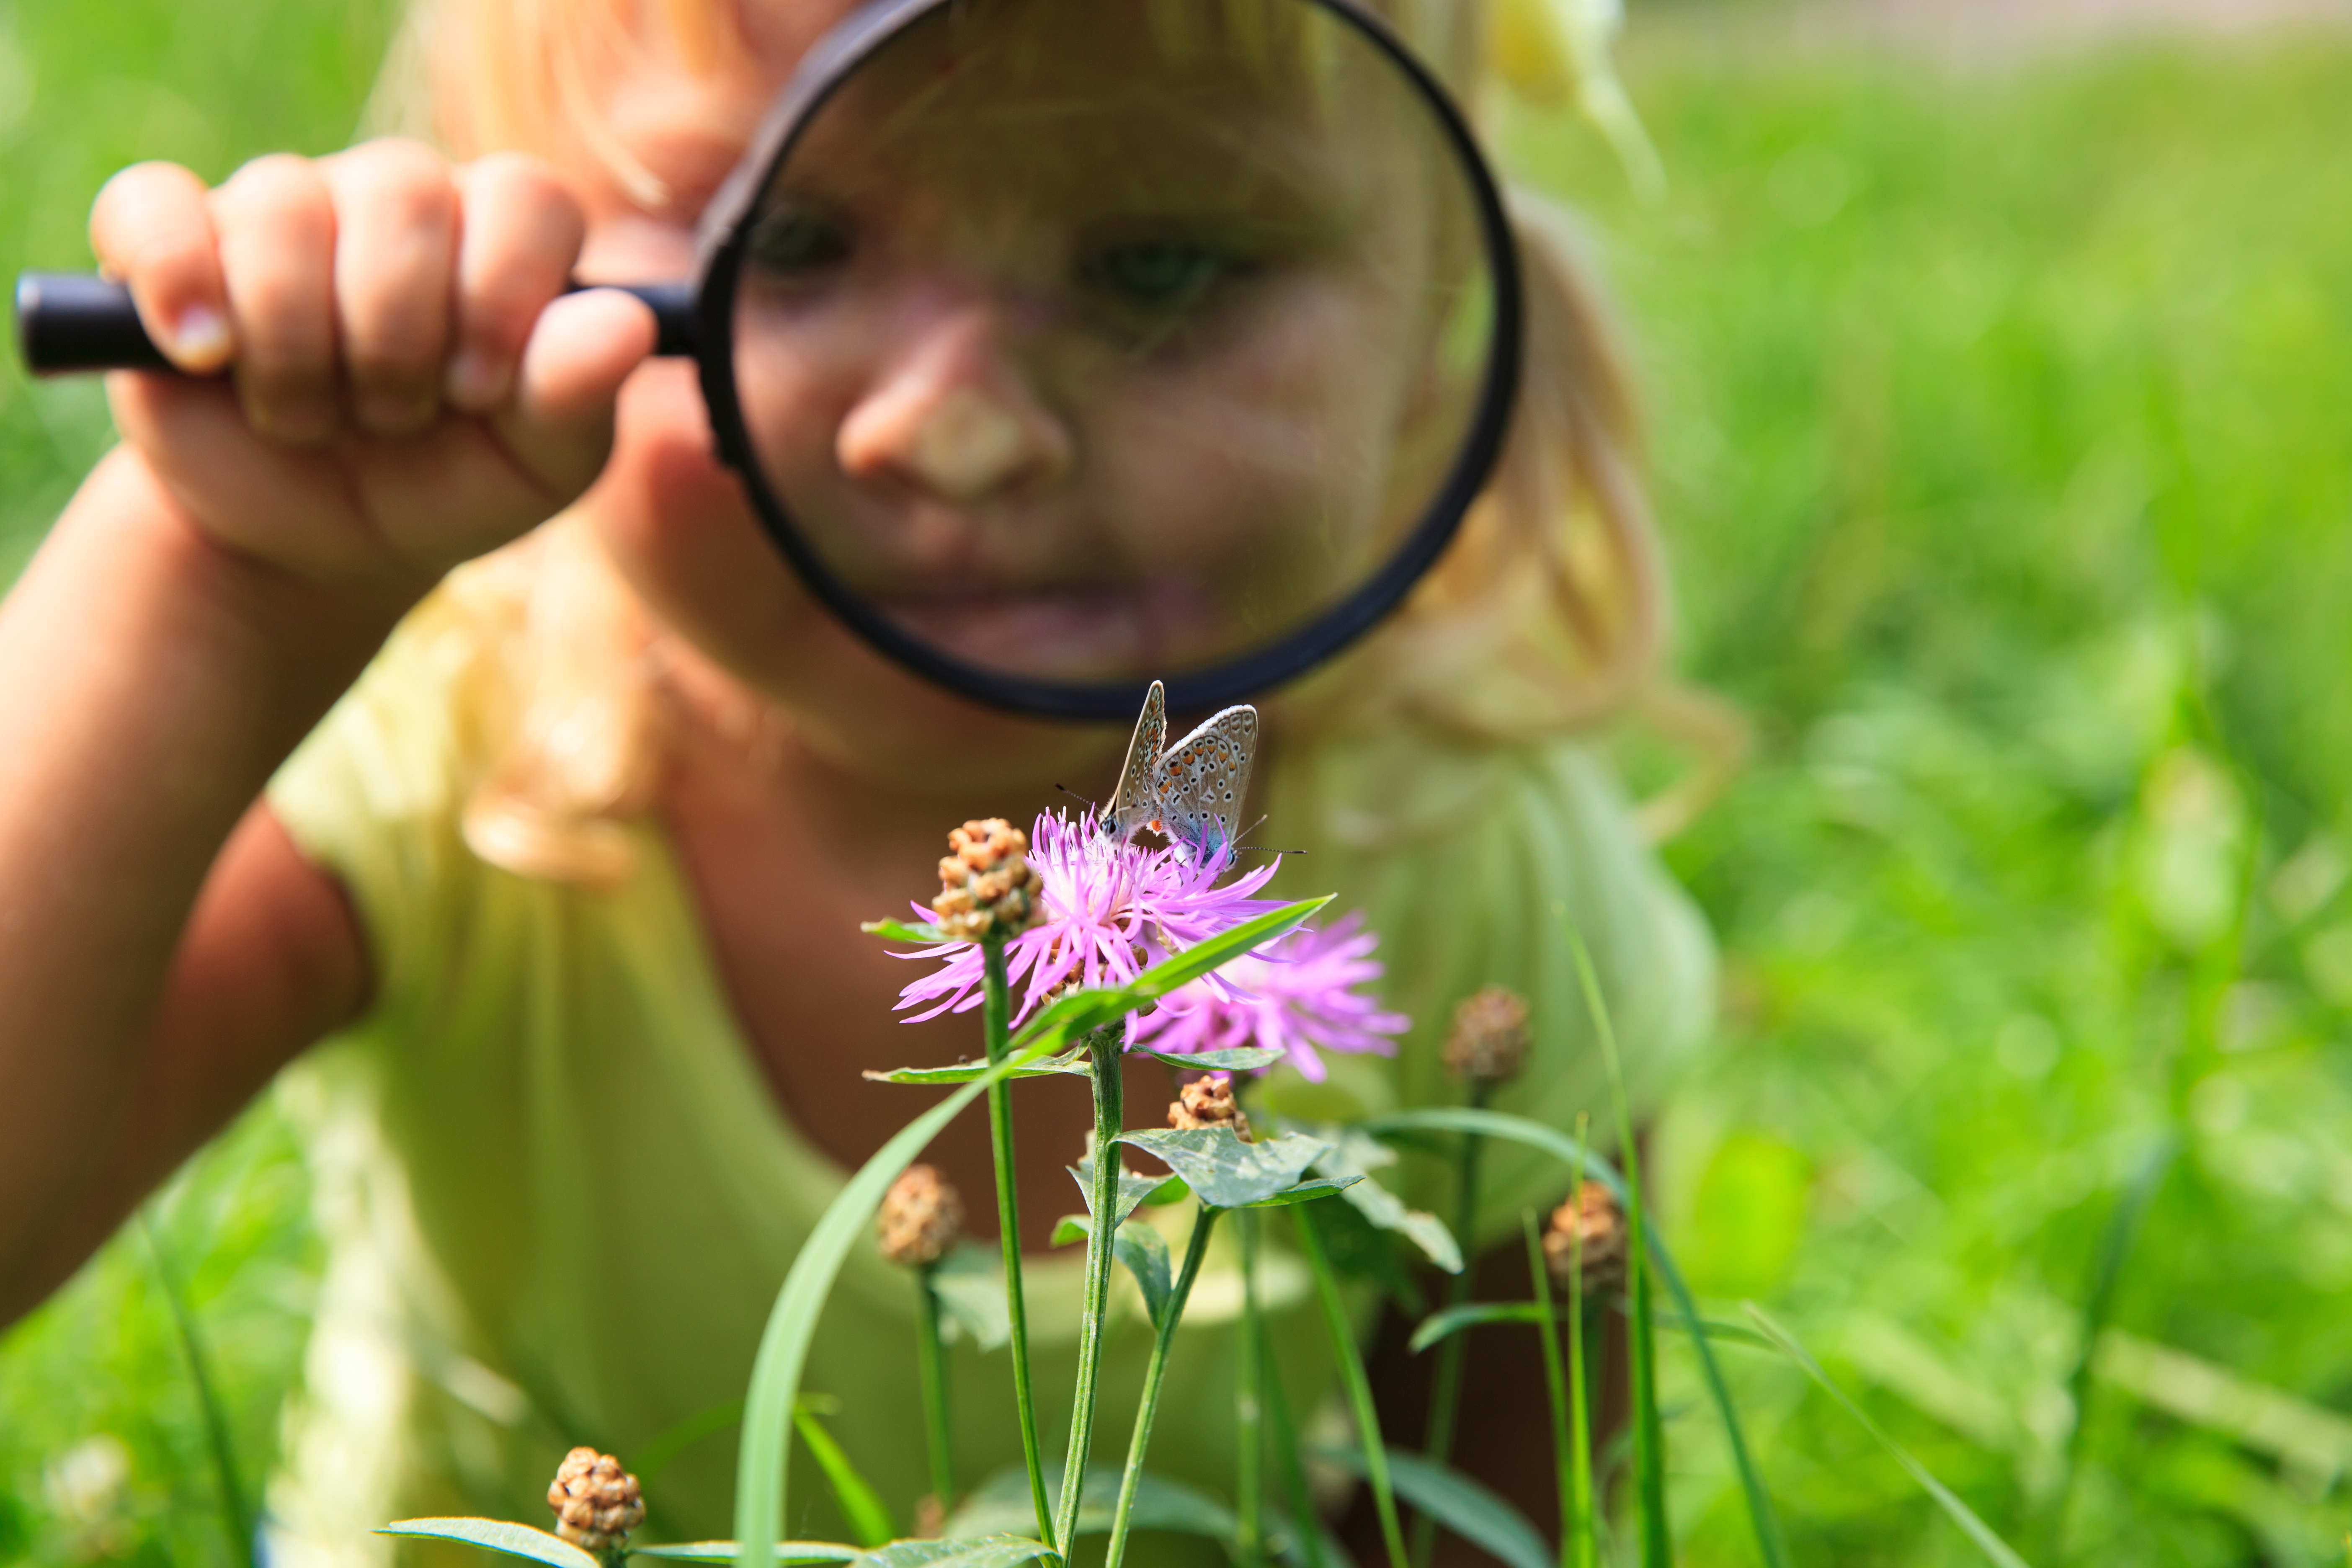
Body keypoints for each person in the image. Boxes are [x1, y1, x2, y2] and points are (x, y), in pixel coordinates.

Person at [0, 0, 1717, 1562]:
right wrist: (222, 584)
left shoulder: (1472, 856)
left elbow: (1490, 1504)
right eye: (794, 244)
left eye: (1164, 270)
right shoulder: (462, 751)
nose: (950, 430)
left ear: (1438, 343)